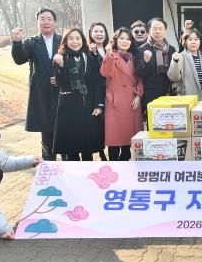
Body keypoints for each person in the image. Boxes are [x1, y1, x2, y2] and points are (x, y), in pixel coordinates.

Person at [11, 7, 61, 160]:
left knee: (65, 128)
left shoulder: (63, 40)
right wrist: (17, 42)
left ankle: (68, 162)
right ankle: (49, 163)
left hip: (62, 92)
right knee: (47, 130)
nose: (46, 22)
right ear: (37, 23)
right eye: (42, 19)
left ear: (55, 22)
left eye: (49, 19)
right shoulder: (32, 42)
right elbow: (19, 59)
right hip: (41, 92)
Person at [52, 28, 105, 161]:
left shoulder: (89, 57)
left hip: (87, 107)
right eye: (70, 38)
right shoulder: (61, 57)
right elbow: (60, 83)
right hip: (68, 108)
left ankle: (88, 172)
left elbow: (96, 83)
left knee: (87, 149)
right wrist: (62, 66)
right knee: (71, 150)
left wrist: (98, 105)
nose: (74, 42)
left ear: (83, 40)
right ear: (65, 41)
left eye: (77, 38)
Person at [101, 28, 144, 161]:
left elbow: (139, 79)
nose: (125, 41)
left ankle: (124, 163)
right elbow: (105, 72)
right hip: (115, 102)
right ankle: (114, 168)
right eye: (122, 38)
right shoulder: (111, 55)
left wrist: (138, 96)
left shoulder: (134, 57)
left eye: (128, 39)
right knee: (114, 140)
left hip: (132, 101)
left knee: (128, 142)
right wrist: (108, 55)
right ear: (115, 40)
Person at [135, 18, 175, 115]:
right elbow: (138, 73)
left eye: (161, 28)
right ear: (149, 30)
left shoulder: (171, 49)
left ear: (165, 30)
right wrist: (145, 61)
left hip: (168, 93)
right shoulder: (141, 50)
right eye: (155, 28)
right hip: (150, 95)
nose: (158, 32)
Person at [87, 22, 109, 161]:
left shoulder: (110, 49)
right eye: (96, 31)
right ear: (91, 34)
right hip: (95, 93)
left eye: (101, 31)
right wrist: (93, 54)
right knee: (97, 125)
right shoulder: (86, 51)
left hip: (110, 91)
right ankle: (101, 153)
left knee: (108, 125)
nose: (99, 34)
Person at [168, 29, 202, 101]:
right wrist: (175, 61)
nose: (193, 42)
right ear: (185, 42)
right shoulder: (180, 56)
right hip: (186, 99)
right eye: (190, 39)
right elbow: (173, 78)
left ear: (200, 41)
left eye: (196, 39)